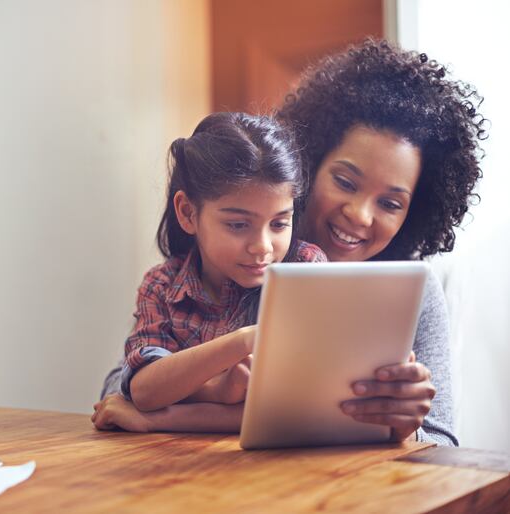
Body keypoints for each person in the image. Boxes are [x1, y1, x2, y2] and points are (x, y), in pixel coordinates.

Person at [93, 39, 486, 446]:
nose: (359, 214)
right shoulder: (228, 267)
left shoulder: (415, 292)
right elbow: (120, 391)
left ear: (414, 212)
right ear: (307, 168)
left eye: (390, 203)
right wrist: (210, 389)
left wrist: (404, 424)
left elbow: (441, 446)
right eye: (345, 182)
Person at [93, 111, 326, 421]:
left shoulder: (305, 270)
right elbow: (144, 390)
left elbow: (300, 410)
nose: (263, 246)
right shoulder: (162, 285)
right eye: (238, 224)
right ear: (188, 213)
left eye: (279, 223)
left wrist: (162, 418)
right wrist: (242, 345)